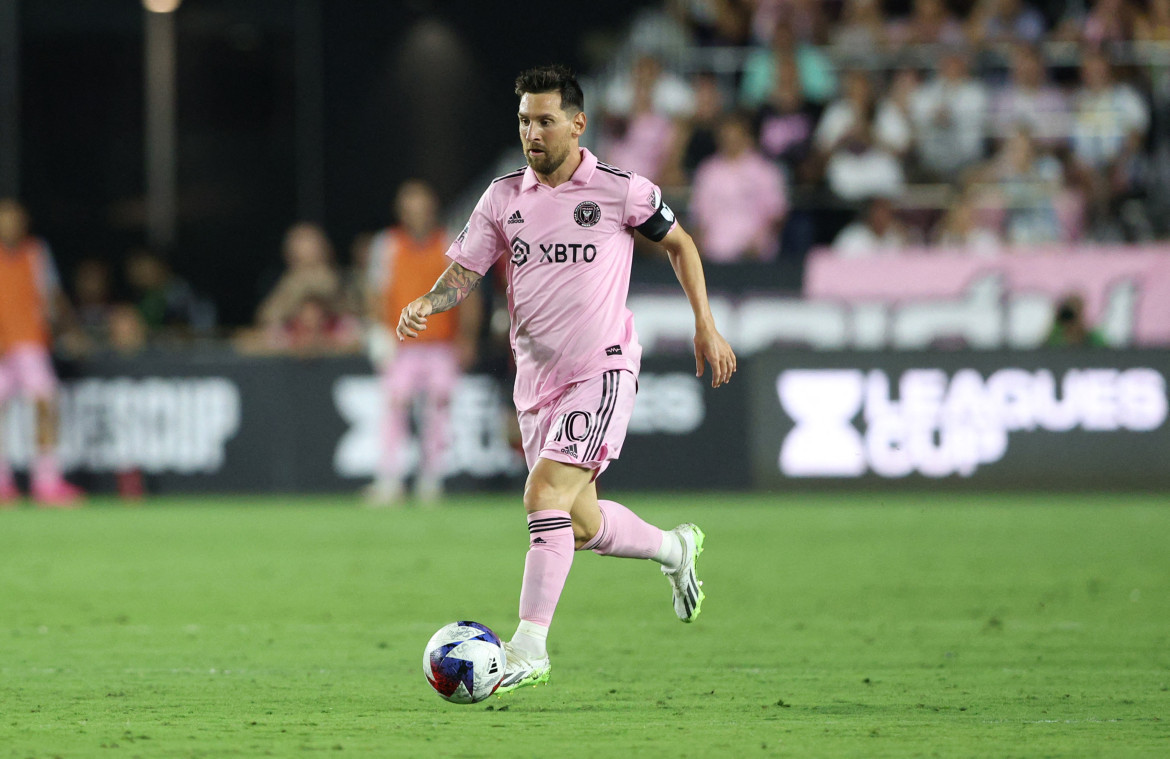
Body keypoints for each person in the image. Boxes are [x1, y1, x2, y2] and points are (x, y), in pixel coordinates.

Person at [395, 65, 736, 694]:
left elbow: (683, 245)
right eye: (524, 120)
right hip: (536, 382)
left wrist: (705, 327)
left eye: (545, 120)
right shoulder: (502, 197)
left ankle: (529, 647)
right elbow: (465, 271)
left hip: (601, 369)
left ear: (578, 124)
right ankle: (673, 549)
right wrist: (427, 303)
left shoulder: (620, 190)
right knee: (579, 526)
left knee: (542, 496)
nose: (532, 132)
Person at [365, 180, 480, 506]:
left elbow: (468, 293)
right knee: (394, 407)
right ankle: (389, 479)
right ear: (401, 212)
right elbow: (376, 292)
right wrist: (380, 332)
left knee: (439, 410)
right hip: (402, 343)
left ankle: (432, 479)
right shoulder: (387, 244)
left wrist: (467, 337)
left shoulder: (449, 242)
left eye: (422, 209)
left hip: (441, 343)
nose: (417, 215)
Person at [0, 199, 84, 507]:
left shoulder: (36, 252)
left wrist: (70, 329)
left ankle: (46, 481)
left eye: (15, 220)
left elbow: (52, 294)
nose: (10, 226)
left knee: (46, 404)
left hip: (30, 342)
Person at [689, 111, 789, 262]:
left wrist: (760, 241)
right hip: (714, 254)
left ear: (746, 136)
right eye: (726, 135)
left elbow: (777, 214)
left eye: (735, 135)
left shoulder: (765, 170)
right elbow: (699, 215)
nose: (730, 140)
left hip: (754, 254)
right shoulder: (708, 171)